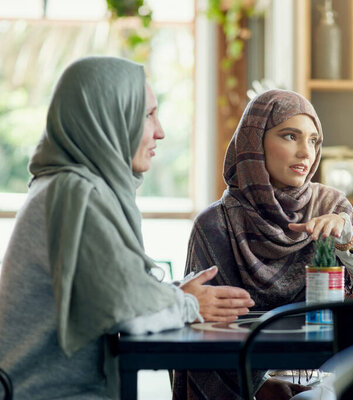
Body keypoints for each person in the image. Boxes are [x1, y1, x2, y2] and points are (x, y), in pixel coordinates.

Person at [0, 56, 254, 399]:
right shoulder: (77, 193)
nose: (160, 131)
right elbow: (126, 312)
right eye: (148, 114)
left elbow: (114, 291)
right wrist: (187, 303)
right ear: (107, 117)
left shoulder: (67, 185)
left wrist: (177, 294)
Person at [172, 89, 353, 400]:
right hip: (245, 389)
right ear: (255, 141)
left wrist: (348, 240)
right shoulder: (216, 224)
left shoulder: (332, 207)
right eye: (290, 136)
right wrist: (260, 387)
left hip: (331, 380)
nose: (306, 152)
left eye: (314, 140)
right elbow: (204, 335)